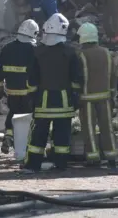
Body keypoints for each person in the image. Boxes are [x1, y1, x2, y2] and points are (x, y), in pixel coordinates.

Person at [23, 13, 83, 173]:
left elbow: (32, 79)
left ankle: (33, 165)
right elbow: (77, 79)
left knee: (38, 134)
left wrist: (32, 97)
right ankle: (61, 164)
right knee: (62, 135)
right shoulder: (70, 52)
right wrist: (76, 96)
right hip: (64, 101)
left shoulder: (37, 52)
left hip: (42, 101)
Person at [76, 23, 118, 168]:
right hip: (105, 98)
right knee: (107, 127)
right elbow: (114, 75)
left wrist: (76, 95)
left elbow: (78, 78)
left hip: (87, 100)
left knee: (89, 128)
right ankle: (111, 157)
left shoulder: (81, 55)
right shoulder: (107, 53)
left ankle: (93, 158)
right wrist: (112, 93)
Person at [0, 19, 40, 154]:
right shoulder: (34, 49)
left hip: (12, 89)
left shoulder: (7, 48)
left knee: (13, 112)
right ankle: (26, 143)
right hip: (29, 91)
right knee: (28, 117)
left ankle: (8, 136)